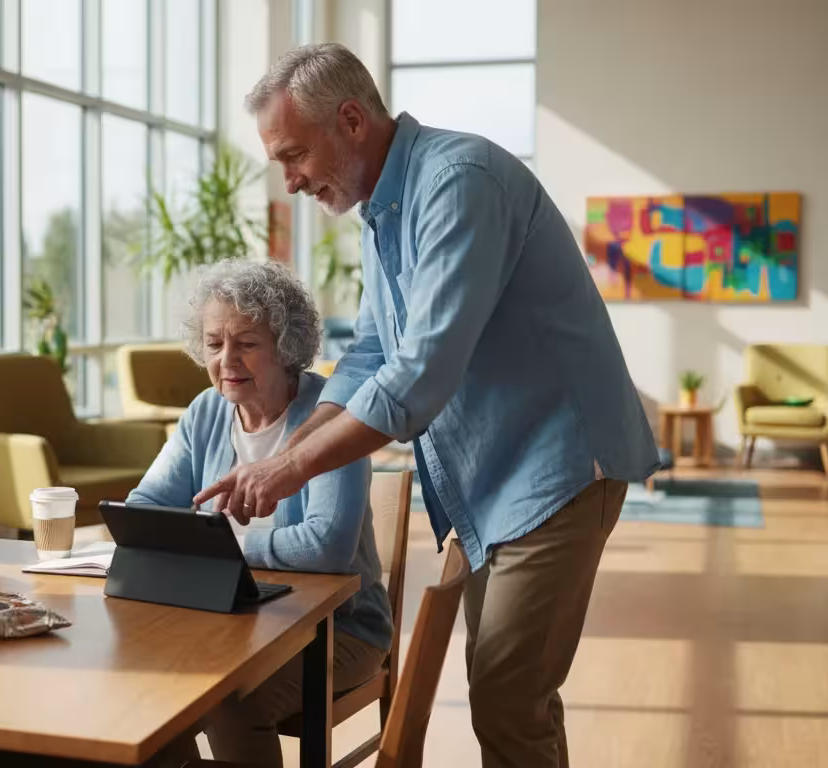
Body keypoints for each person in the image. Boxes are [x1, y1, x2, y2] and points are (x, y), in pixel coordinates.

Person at [195, 44, 660, 767]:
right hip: (503, 479)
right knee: (516, 697)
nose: (288, 182)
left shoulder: (457, 183)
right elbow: (372, 353)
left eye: (293, 155)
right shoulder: (384, 211)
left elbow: (417, 376)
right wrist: (285, 452)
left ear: (350, 119)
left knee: (507, 697)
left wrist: (283, 475)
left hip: (558, 466)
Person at [127, 260, 392, 767]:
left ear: (286, 345)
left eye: (246, 343)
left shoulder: (332, 414)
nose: (227, 360)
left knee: (231, 698)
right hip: (227, 623)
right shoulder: (206, 411)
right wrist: (206, 546)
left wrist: (220, 548)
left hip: (338, 631)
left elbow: (327, 547)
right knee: (150, 688)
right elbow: (144, 510)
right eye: (214, 343)